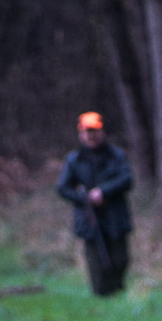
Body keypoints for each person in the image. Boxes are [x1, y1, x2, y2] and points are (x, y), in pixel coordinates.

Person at [56, 112, 134, 296]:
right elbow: (62, 188)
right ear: (81, 134)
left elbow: (127, 179)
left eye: (95, 131)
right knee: (96, 259)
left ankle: (117, 291)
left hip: (115, 214)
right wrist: (86, 199)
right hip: (88, 218)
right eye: (87, 131)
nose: (91, 135)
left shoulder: (117, 155)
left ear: (102, 131)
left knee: (120, 258)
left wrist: (103, 191)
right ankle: (101, 295)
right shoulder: (73, 160)